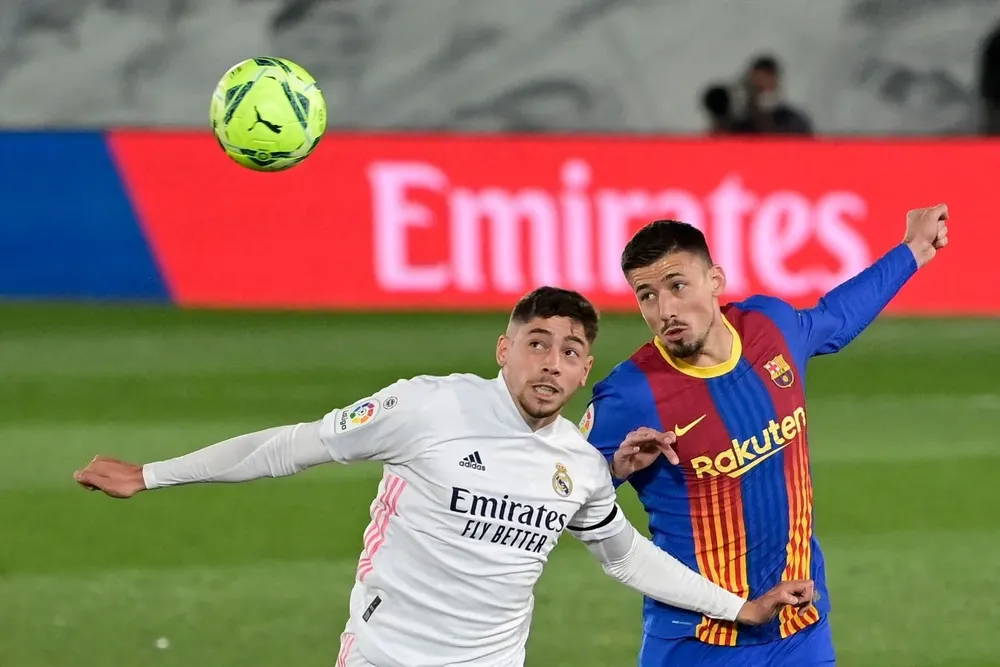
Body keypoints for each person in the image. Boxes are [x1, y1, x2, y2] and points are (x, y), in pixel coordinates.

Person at [74, 286, 815, 667]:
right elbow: (291, 446)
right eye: (536, 343)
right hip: (385, 655)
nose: (551, 362)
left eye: (569, 351)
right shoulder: (427, 405)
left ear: (586, 367)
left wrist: (738, 606)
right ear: (504, 348)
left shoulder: (580, 464)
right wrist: (152, 474)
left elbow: (624, 553)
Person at [581, 206, 949, 666]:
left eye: (678, 286)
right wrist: (613, 470)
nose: (666, 309)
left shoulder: (768, 327)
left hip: (799, 625)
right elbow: (565, 496)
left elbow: (833, 318)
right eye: (647, 296)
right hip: (696, 641)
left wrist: (913, 250)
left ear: (715, 280)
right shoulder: (629, 394)